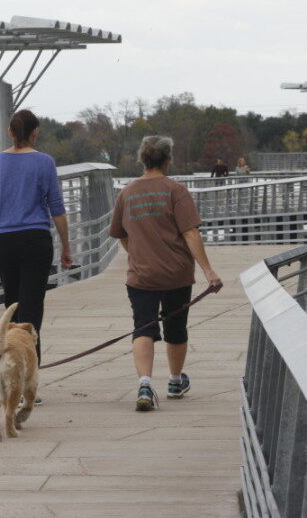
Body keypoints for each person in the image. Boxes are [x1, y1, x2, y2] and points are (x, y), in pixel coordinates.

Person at [110, 135, 222, 411]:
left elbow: (120, 235)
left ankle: (145, 384)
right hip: (176, 274)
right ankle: (174, 381)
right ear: (168, 160)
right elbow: (190, 232)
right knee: (176, 328)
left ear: (142, 160)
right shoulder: (176, 190)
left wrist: (137, 253)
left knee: (143, 327)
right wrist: (208, 270)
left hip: (141, 275)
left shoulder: (127, 193)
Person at [0, 110, 73, 391]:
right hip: (35, 240)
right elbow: (57, 209)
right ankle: (29, 383)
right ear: (35, 133)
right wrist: (67, 246)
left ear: (9, 132)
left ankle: (10, 377)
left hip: (4, 242)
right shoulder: (44, 162)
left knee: (12, 309)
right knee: (32, 312)